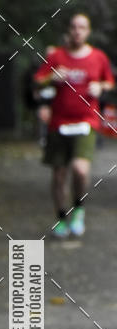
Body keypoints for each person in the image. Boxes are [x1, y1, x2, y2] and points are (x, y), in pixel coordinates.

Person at [34, 13, 114, 238]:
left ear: (88, 31)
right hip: (59, 123)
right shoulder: (57, 56)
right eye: (74, 27)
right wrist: (52, 78)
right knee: (59, 174)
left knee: (80, 169)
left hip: (86, 121)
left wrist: (101, 87)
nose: (77, 31)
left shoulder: (98, 57)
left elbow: (109, 81)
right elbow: (38, 81)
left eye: (82, 27)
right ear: (69, 30)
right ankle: (61, 217)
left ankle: (78, 208)